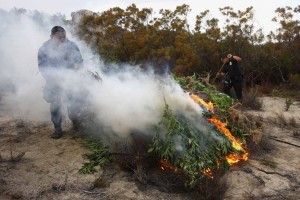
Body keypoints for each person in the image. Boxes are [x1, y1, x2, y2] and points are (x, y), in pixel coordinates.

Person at [38, 26, 84, 139]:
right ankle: (57, 129)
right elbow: (42, 67)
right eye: (59, 37)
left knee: (74, 103)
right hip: (53, 81)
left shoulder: (71, 46)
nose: (62, 40)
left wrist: (75, 73)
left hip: (70, 79)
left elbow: (80, 62)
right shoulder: (44, 48)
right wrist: (52, 78)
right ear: (51, 36)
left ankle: (76, 124)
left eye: (64, 37)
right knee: (55, 105)